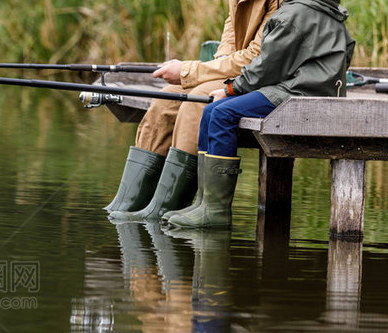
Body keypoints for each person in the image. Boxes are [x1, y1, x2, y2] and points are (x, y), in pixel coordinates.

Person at [167, 0, 355, 229]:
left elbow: (266, 67)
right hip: (310, 91)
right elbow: (347, 52)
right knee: (211, 110)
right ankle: (203, 203)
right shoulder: (332, 14)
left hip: (295, 94)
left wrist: (231, 88)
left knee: (221, 114)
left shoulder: (293, 14)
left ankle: (215, 211)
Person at [106, 0, 282, 222]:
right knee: (164, 101)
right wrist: (216, 67)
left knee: (195, 100)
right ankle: (129, 201)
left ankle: (165, 206)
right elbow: (230, 40)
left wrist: (191, 70)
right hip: (237, 70)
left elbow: (257, 57)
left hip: (263, 78)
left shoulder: (281, 3)